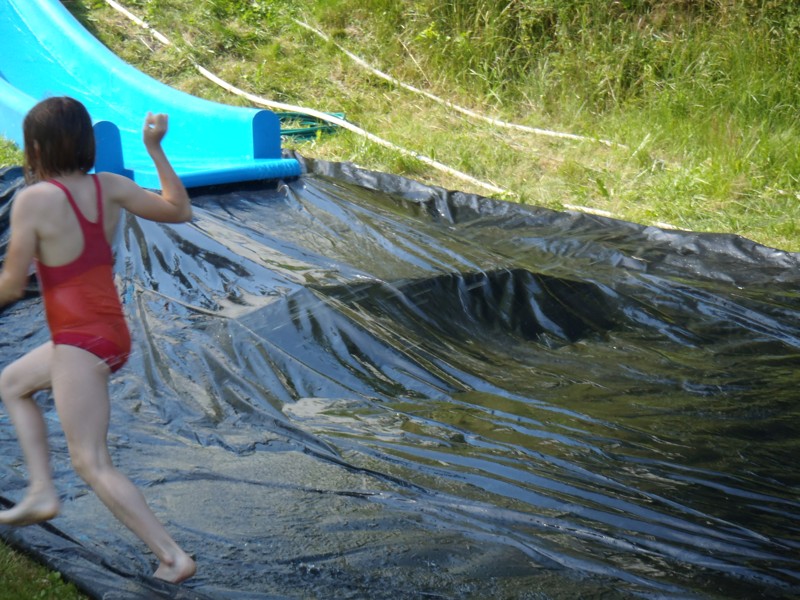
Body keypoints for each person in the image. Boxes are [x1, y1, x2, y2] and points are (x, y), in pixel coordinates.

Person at [0, 96, 196, 584]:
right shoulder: (109, 187)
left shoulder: (33, 199)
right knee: (13, 382)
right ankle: (42, 489)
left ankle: (172, 557)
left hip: (78, 342)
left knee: (91, 461)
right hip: (109, 332)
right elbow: (179, 210)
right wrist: (154, 148)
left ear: (37, 147)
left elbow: (9, 284)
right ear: (86, 141)